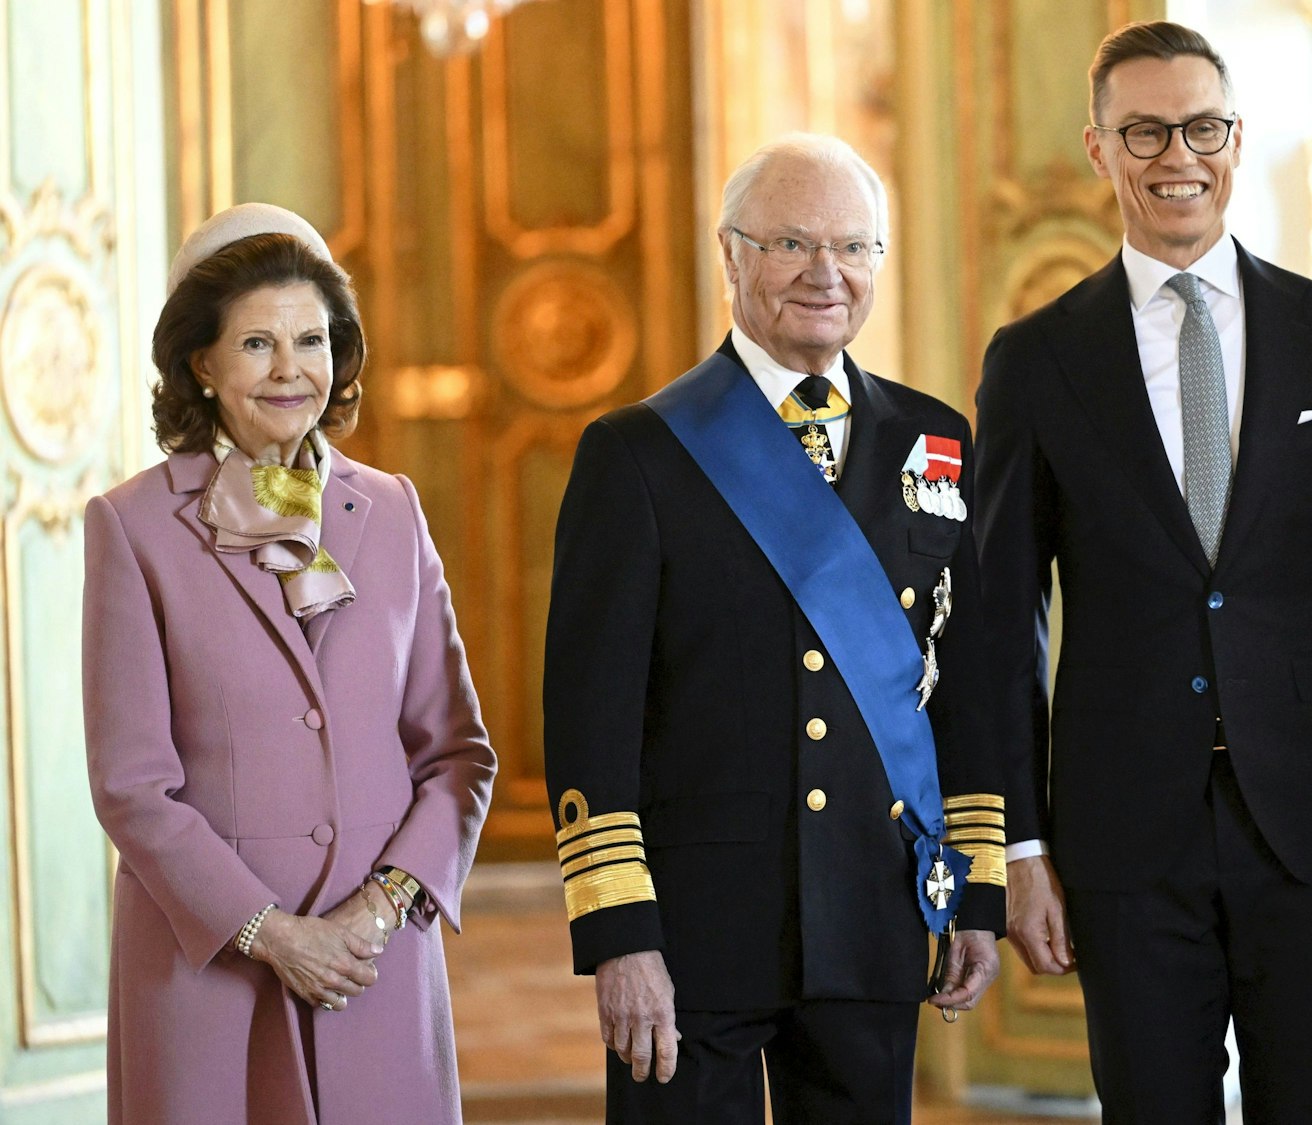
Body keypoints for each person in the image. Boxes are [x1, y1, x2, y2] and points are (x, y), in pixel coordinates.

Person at [974, 22, 1312, 1123]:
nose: (1174, 156)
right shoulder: (1034, 360)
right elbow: (1005, 630)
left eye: (1199, 127)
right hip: (1119, 837)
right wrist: (1016, 843)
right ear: (1098, 149)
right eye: (1142, 131)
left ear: (1235, 138)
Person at [543, 133, 1005, 1125]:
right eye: (791, 242)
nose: (824, 273)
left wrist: (974, 889)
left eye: (853, 246)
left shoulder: (932, 441)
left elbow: (966, 685)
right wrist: (620, 933)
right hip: (695, 931)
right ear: (732, 254)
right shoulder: (638, 455)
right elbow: (591, 719)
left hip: (875, 915)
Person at [83, 203, 497, 1124]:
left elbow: (459, 756)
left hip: (373, 971)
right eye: (258, 343)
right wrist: (272, 934)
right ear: (203, 362)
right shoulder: (133, 525)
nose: (289, 370)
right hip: (209, 976)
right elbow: (131, 785)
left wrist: (378, 912)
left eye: (311, 340)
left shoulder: (393, 509)